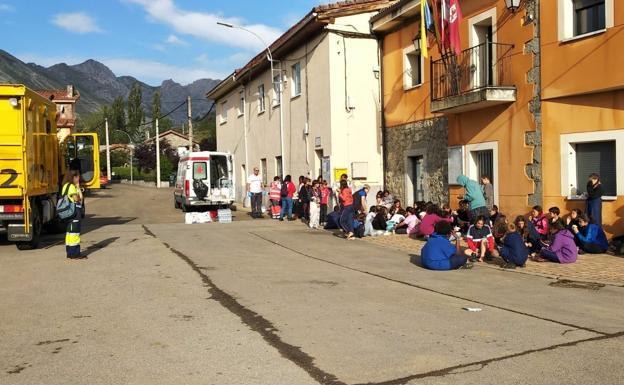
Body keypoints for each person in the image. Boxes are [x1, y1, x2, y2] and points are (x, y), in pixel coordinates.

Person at [62, 170, 84, 259]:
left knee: (69, 233)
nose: (79, 179)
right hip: (74, 212)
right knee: (74, 233)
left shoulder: (65, 186)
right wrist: (78, 188)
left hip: (68, 213)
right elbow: (78, 199)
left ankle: (70, 252)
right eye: (78, 177)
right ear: (73, 177)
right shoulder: (71, 187)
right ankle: (75, 254)